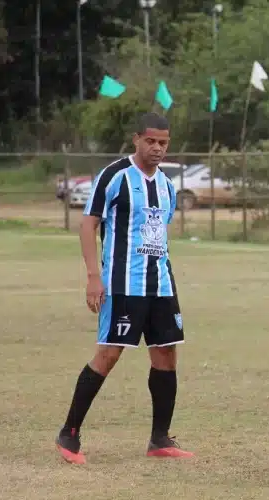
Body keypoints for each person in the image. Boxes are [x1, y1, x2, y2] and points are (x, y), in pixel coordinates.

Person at [55, 112, 193, 465]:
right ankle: (69, 433)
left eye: (163, 142)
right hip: (122, 283)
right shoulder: (114, 176)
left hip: (160, 283)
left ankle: (160, 439)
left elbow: (159, 232)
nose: (157, 148)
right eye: (151, 141)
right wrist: (93, 277)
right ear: (136, 139)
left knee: (166, 354)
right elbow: (88, 226)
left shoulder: (167, 185)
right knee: (109, 354)